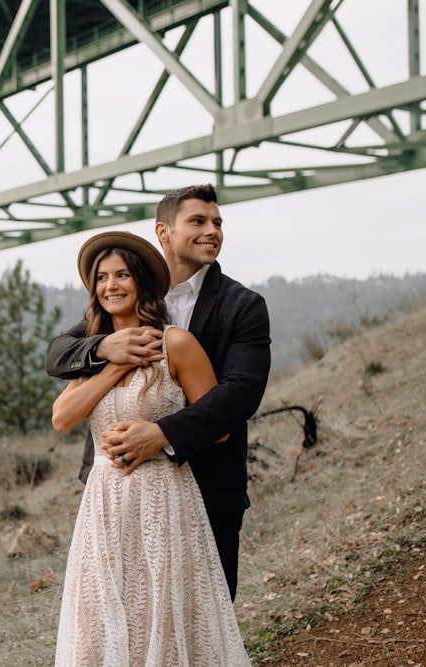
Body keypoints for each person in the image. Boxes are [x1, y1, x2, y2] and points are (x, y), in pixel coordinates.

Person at [46, 184, 271, 600]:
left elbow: (241, 393)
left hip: (209, 484)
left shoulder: (243, 305)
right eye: (198, 221)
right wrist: (103, 348)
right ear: (163, 232)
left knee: (202, 612)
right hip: (120, 488)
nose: (212, 231)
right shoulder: (127, 295)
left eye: (217, 223)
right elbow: (58, 354)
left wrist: (163, 434)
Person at [51, 230, 251, 665]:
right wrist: (112, 363)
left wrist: (160, 436)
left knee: (162, 607)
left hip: (164, 493)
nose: (111, 286)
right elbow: (62, 417)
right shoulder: (95, 351)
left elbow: (218, 427)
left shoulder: (175, 343)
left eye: (122, 274)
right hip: (104, 500)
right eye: (102, 278)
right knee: (102, 611)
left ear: (141, 280)